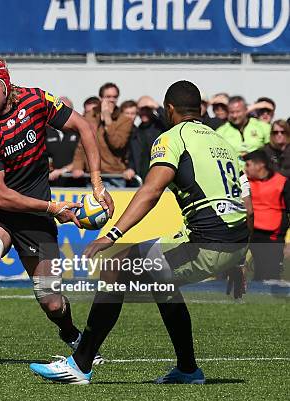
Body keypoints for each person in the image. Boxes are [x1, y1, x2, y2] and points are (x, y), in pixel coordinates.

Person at [30, 80, 250, 385]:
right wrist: (237, 258)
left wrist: (112, 235)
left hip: (207, 243)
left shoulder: (172, 138)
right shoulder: (225, 144)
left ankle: (80, 365)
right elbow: (245, 207)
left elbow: (151, 190)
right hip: (235, 242)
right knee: (161, 281)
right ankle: (188, 369)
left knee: (115, 267)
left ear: (169, 109)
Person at [0, 57, 114, 368]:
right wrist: (54, 207)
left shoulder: (35, 99)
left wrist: (97, 184)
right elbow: (0, 196)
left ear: (6, 84)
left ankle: (72, 334)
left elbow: (84, 128)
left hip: (35, 216)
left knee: (51, 300)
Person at [70, 83, 133, 187]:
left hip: (114, 175)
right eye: (108, 97)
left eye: (115, 97)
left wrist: (108, 120)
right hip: (93, 174)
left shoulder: (124, 120)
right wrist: (78, 166)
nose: (111, 100)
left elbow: (117, 144)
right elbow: (82, 143)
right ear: (101, 98)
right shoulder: (90, 116)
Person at [244, 150, 289, 281]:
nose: (245, 168)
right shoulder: (245, 182)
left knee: (270, 275)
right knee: (254, 272)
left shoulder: (282, 182)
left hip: (272, 236)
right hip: (251, 233)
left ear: (260, 165)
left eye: (248, 164)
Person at [124, 96, 167, 182]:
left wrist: (157, 106)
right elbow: (134, 155)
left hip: (160, 177)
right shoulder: (136, 131)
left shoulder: (160, 126)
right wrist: (131, 168)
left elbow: (171, 122)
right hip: (143, 179)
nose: (144, 112)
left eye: (147, 109)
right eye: (141, 109)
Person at [47, 97, 80, 187]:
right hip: (51, 186)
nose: (63, 115)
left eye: (66, 111)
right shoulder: (45, 132)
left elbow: (83, 158)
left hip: (75, 185)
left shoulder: (79, 132)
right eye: (60, 111)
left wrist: (63, 171)